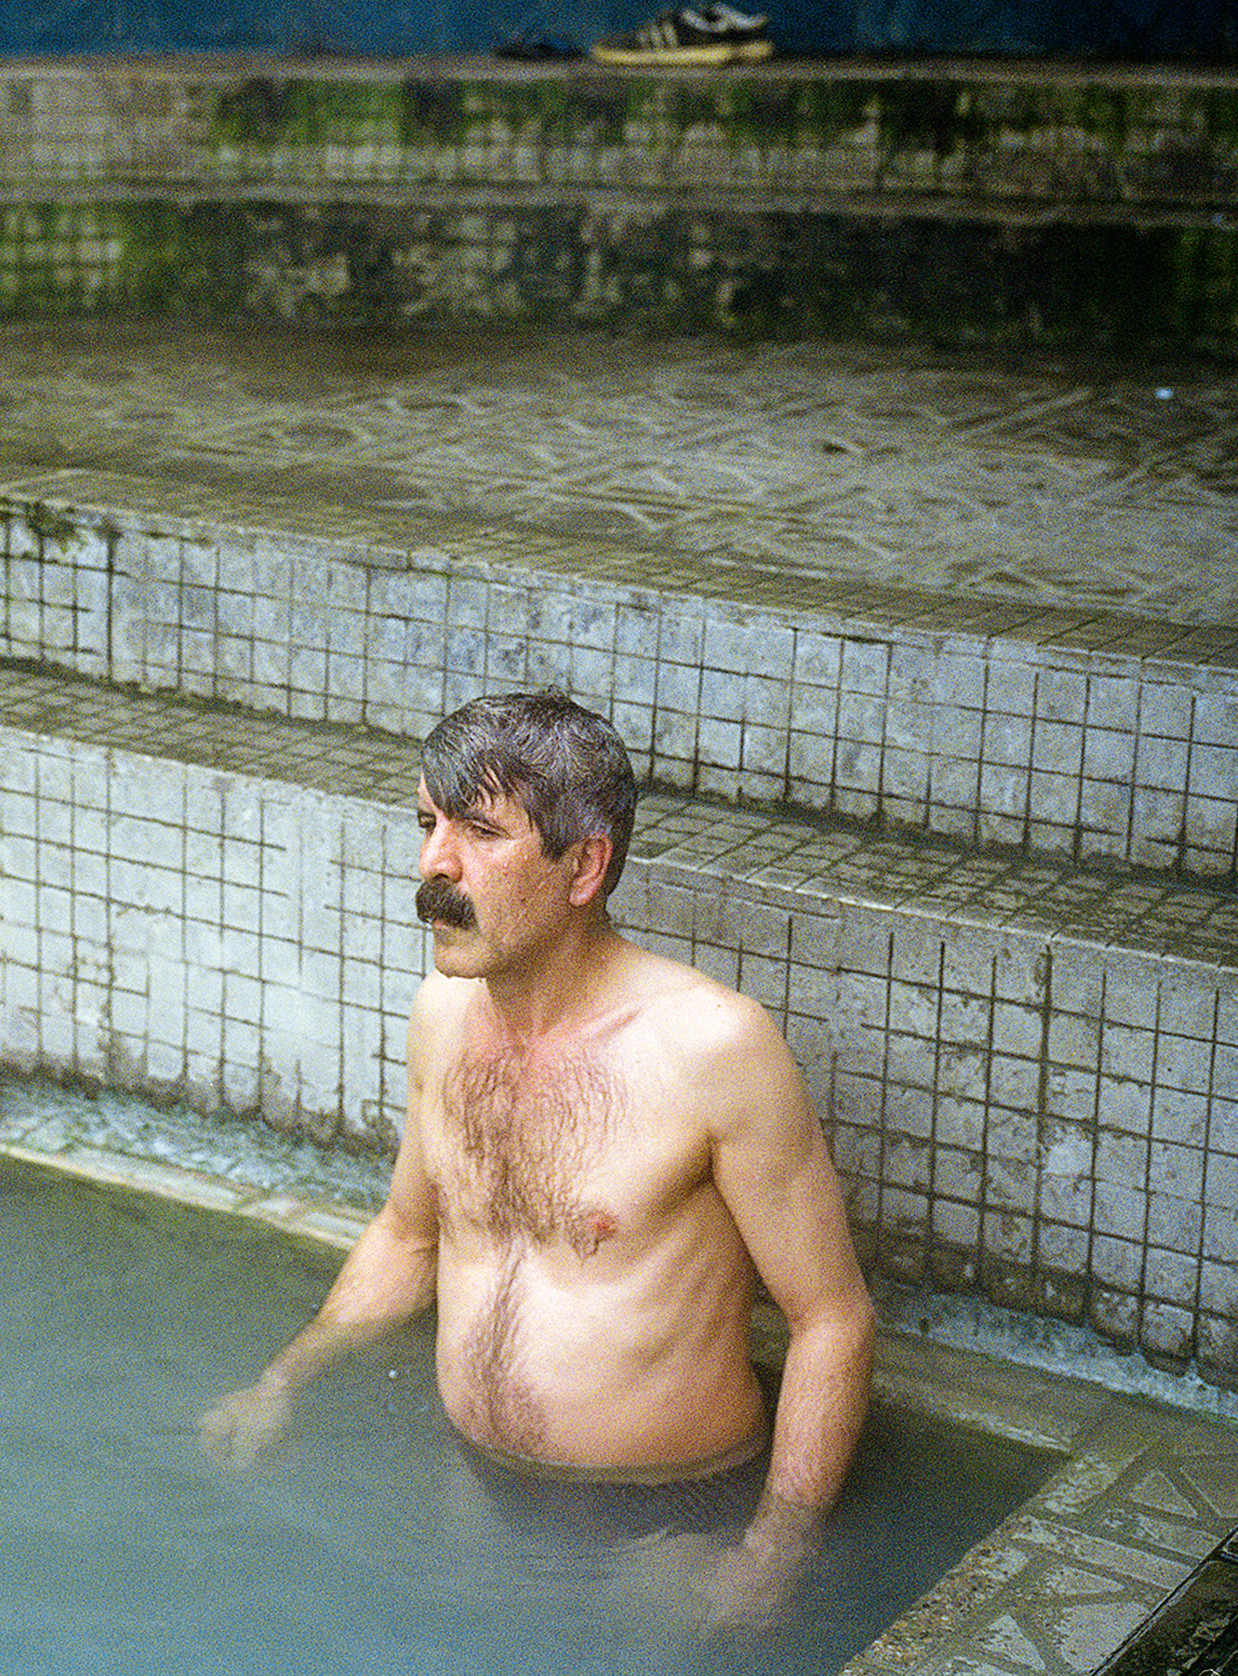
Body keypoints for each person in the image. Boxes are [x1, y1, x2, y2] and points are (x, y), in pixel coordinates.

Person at [203, 693, 873, 1629]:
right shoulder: (442, 1017)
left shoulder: (711, 1049)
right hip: (476, 1481)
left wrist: (776, 1549)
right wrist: (284, 1380)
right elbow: (408, 1233)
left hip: (666, 1518)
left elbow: (830, 1317)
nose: (434, 862)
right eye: (430, 823)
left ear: (584, 866)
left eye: (479, 830)